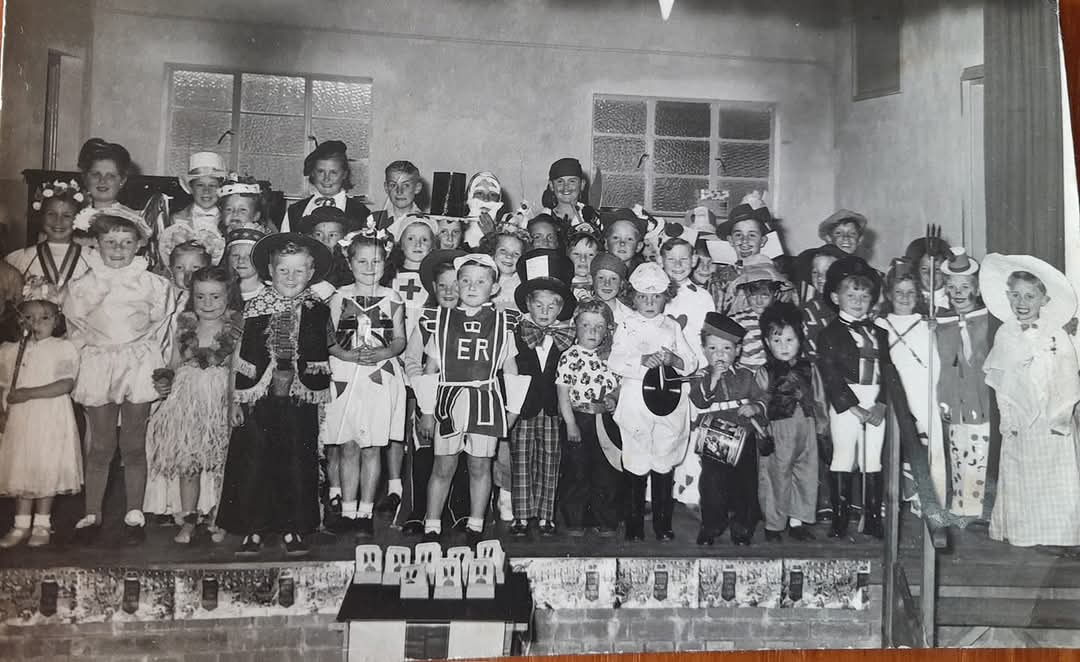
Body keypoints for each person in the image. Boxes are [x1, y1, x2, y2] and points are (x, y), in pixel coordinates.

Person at [216, 233, 334, 557]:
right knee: (254, 461)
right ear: (270, 270)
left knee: (297, 462)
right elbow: (237, 355)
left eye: (299, 271)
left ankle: (294, 527)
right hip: (258, 398)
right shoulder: (254, 307)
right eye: (284, 271)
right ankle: (253, 528)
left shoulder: (318, 310)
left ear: (311, 272)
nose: (291, 278)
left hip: (299, 398)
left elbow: (329, 350)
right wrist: (235, 400)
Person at [64, 208, 175, 545]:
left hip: (138, 363)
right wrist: (77, 367)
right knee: (100, 444)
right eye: (110, 241)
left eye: (126, 242)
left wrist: (161, 368)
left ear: (139, 245)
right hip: (99, 363)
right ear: (96, 243)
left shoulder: (153, 283)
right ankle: (93, 512)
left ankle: (134, 511)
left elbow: (163, 328)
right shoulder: (83, 284)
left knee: (132, 442)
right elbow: (75, 329)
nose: (117, 248)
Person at [413, 254, 530, 545]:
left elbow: (511, 368)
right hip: (449, 399)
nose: (472, 287)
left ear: (493, 287)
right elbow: (430, 367)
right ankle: (433, 523)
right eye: (465, 280)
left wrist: (512, 409)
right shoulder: (440, 320)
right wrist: (427, 410)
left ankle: (476, 524)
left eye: (480, 281)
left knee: (480, 466)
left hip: (485, 400)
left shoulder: (503, 322)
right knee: (443, 465)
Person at [981, 253, 1080, 549]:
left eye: (1030, 296)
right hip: (1021, 418)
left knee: (1057, 477)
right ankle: (1025, 532)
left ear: (1043, 300)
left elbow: (1067, 377)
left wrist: (1061, 416)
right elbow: (1002, 382)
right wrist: (1007, 418)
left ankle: (1060, 535)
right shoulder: (1005, 334)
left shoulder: (1056, 336)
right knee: (1023, 475)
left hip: (1052, 416)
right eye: (1016, 296)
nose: (1022, 303)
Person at [145, 267, 242, 544]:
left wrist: (233, 402)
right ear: (192, 297)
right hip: (187, 400)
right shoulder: (185, 326)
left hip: (219, 398)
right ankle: (188, 518)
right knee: (189, 460)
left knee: (221, 460)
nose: (207, 304)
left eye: (215, 297)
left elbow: (236, 368)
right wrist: (165, 380)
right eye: (200, 297)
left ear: (228, 296)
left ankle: (219, 517)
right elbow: (174, 363)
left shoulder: (234, 328)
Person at [324, 231, 407, 537]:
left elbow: (399, 339)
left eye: (376, 261)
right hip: (346, 375)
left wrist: (384, 352)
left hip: (378, 377)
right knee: (348, 446)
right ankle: (347, 509)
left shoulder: (392, 297)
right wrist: (346, 354)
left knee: (372, 446)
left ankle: (365, 512)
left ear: (386, 262)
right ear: (349, 261)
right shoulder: (339, 296)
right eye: (361, 261)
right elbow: (329, 340)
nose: (369, 267)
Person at [609, 262, 698, 542]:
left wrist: (674, 360)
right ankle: (634, 523)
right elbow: (615, 360)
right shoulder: (625, 325)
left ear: (665, 297)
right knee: (635, 459)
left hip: (667, 400)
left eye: (656, 296)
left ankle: (662, 523)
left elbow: (691, 362)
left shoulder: (671, 326)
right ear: (632, 297)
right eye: (643, 297)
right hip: (636, 399)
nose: (649, 302)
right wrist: (641, 361)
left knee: (663, 459)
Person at [0, 281, 81, 548]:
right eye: (29, 317)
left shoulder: (63, 348)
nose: (37, 323)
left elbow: (65, 384)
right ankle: (20, 524)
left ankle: (42, 524)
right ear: (19, 319)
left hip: (50, 418)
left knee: (45, 469)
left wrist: (27, 394)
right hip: (21, 421)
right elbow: (4, 386)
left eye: (45, 318)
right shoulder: (9, 350)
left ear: (56, 320)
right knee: (22, 469)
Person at [816, 256, 891, 540]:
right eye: (851, 295)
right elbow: (831, 375)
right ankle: (840, 519)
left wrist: (881, 404)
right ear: (836, 297)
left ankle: (872, 518)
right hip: (847, 400)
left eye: (864, 295)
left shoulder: (880, 333)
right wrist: (854, 408)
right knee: (844, 456)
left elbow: (887, 371)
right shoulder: (829, 333)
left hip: (875, 399)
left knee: (873, 458)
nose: (858, 301)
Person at [507, 249, 576, 537]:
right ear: (528, 305)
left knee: (551, 460)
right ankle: (522, 516)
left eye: (552, 306)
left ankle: (546, 515)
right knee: (521, 461)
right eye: (539, 305)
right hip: (523, 410)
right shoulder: (515, 334)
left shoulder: (566, 339)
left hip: (551, 411)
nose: (545, 311)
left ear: (560, 309)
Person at [398, 248, 466, 535]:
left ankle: (458, 511)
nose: (450, 291)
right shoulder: (427, 321)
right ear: (434, 288)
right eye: (443, 286)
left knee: (459, 457)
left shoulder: (472, 321)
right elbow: (412, 360)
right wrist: (426, 391)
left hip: (462, 401)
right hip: (429, 401)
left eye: (456, 285)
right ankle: (419, 512)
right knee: (425, 454)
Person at [689, 312, 768, 546]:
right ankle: (711, 526)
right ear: (703, 350)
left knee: (745, 485)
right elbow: (700, 400)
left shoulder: (746, 375)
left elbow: (762, 398)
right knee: (713, 484)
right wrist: (713, 378)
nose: (719, 355)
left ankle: (742, 527)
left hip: (743, 436)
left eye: (726, 349)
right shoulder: (702, 376)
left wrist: (755, 407)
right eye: (712, 349)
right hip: (714, 436)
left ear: (738, 351)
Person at [876, 259, 946, 506]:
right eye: (899, 293)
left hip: (922, 387)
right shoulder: (880, 324)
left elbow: (935, 360)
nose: (904, 298)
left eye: (910, 293)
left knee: (928, 439)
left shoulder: (926, 324)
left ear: (918, 295)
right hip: (894, 388)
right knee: (896, 442)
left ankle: (927, 496)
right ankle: (897, 495)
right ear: (888, 294)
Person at [759, 302, 829, 542]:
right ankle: (774, 524)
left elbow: (819, 398)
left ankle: (797, 521)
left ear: (800, 340)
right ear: (768, 343)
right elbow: (760, 403)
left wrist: (821, 428)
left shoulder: (809, 368)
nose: (784, 347)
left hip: (806, 428)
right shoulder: (766, 372)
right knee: (777, 476)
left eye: (789, 340)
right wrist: (762, 433)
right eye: (777, 341)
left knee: (806, 474)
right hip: (779, 429)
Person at [935, 247, 995, 520]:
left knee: (978, 453)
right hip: (953, 398)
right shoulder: (941, 324)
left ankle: (976, 507)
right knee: (957, 450)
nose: (958, 292)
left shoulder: (987, 323)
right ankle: (961, 504)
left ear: (977, 290)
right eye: (952, 287)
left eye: (965, 286)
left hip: (980, 399)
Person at [556, 300, 621, 538]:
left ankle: (604, 519)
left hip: (604, 421)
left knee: (605, 471)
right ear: (576, 327)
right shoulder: (569, 357)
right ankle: (575, 520)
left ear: (607, 330)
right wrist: (570, 423)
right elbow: (562, 394)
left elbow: (617, 386)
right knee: (577, 471)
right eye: (586, 325)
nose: (592, 331)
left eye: (599, 326)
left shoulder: (611, 358)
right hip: (579, 419)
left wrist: (613, 398)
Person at [662, 237, 715, 509]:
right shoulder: (657, 294)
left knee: (692, 433)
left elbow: (707, 338)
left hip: (694, 374)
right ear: (661, 261)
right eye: (672, 259)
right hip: (662, 375)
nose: (679, 265)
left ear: (694, 260)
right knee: (663, 432)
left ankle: (690, 492)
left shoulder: (702, 297)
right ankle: (656, 493)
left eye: (684, 259)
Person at [7, 179, 91, 290]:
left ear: (78, 219)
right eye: (51, 214)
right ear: (41, 216)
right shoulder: (22, 259)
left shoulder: (90, 258)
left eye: (66, 216)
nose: (58, 221)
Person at [281, 140, 371, 233]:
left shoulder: (360, 213)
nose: (326, 179)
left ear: (344, 174)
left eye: (333, 172)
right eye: (320, 171)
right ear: (312, 173)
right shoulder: (295, 211)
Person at [730, 255, 786, 369]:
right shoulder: (736, 321)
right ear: (745, 293)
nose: (758, 301)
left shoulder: (785, 319)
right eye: (753, 296)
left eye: (765, 296)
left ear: (775, 293)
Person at [541, 157, 601, 237]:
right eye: (560, 181)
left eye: (572, 181)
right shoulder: (544, 217)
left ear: (582, 184)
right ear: (551, 185)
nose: (566, 187)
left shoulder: (591, 216)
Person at [171, 152, 227, 234]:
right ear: (191, 188)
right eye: (200, 185)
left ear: (221, 189)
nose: (206, 190)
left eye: (212, 185)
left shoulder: (229, 219)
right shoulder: (176, 219)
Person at [480, 224, 530, 313]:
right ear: (492, 253)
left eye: (516, 254)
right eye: (503, 250)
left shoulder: (525, 283)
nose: (509, 256)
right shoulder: (482, 278)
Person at [372, 160, 424, 239]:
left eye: (406, 185)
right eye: (393, 185)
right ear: (386, 187)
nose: (399, 191)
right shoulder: (374, 220)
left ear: (417, 188)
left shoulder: (427, 222)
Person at [223, 227, 268, 302]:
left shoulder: (273, 293)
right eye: (235, 255)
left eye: (249, 256)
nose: (241, 260)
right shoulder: (219, 290)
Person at [602, 208, 647, 276]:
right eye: (616, 238)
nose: (622, 243)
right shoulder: (599, 274)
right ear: (606, 244)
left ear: (638, 246)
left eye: (629, 239)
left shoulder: (643, 275)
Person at [590, 253, 632, 326]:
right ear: (592, 280)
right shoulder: (581, 311)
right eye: (601, 278)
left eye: (613, 279)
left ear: (621, 283)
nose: (607, 284)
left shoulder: (629, 316)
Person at [567, 232, 601, 301]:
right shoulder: (562, 283)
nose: (583, 259)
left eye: (590, 255)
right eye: (576, 254)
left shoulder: (601, 285)